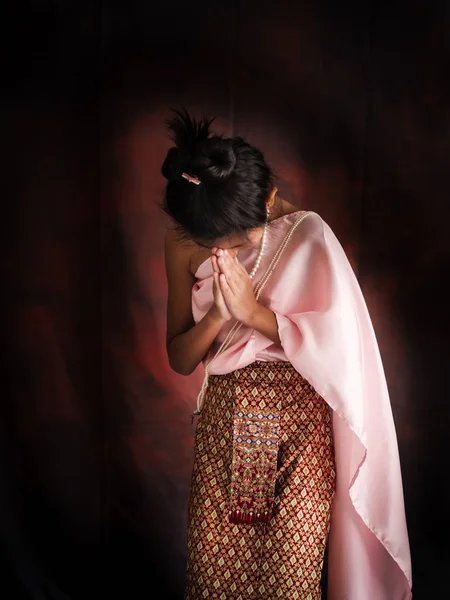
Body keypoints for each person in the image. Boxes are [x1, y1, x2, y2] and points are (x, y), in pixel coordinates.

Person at [161, 109, 412, 600]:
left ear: (269, 200)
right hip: (227, 425)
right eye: (212, 245)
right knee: (218, 572)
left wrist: (251, 311)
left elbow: (341, 352)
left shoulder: (307, 234)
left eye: (240, 240)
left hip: (301, 431)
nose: (223, 254)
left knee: (287, 577)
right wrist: (217, 315)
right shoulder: (181, 242)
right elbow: (179, 357)